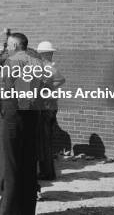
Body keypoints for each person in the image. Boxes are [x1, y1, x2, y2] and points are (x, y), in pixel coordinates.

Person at [0, 33, 42, 215]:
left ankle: (7, 211)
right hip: (32, 114)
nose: (6, 48)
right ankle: (26, 210)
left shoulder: (13, 61)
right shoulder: (37, 62)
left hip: (13, 112)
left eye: (8, 45)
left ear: (15, 45)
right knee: (28, 162)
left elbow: (7, 86)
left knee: (10, 164)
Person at [36, 41, 65, 181]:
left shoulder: (47, 68)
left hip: (46, 109)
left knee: (44, 141)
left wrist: (47, 88)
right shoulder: (47, 67)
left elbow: (61, 80)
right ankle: (47, 171)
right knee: (45, 141)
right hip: (50, 107)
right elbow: (61, 80)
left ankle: (47, 172)